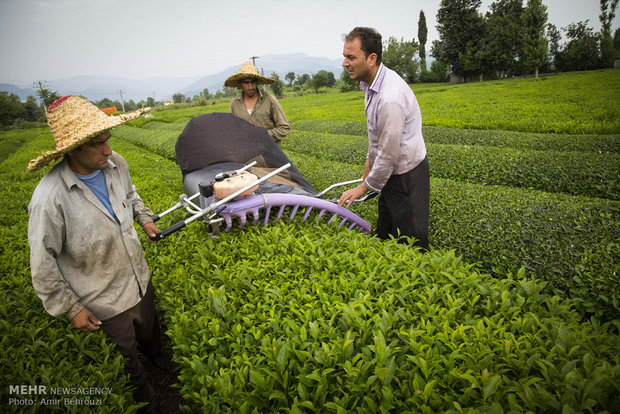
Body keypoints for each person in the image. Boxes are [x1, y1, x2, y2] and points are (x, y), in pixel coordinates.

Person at [27, 95, 167, 413]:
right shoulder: (50, 198)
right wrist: (71, 308)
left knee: (150, 330)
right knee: (127, 358)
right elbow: (42, 263)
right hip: (103, 299)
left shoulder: (116, 164)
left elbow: (132, 195)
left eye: (107, 140)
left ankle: (160, 360)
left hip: (138, 278)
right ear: (72, 149)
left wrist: (144, 218)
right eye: (96, 144)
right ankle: (148, 402)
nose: (107, 150)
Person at [338, 27, 430, 250]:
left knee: (410, 242)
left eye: (351, 57)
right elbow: (376, 138)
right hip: (389, 174)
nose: (345, 63)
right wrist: (368, 171)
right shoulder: (369, 86)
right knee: (386, 235)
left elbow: (388, 154)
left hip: (407, 176)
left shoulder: (390, 98)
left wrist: (363, 188)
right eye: (344, 56)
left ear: (371, 58)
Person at [225, 61, 290, 145]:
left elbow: (284, 127)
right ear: (241, 83)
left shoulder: (269, 100)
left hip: (269, 152)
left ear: (257, 82)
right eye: (246, 82)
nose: (250, 86)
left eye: (253, 82)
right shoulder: (235, 104)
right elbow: (231, 130)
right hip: (246, 153)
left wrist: (262, 136)